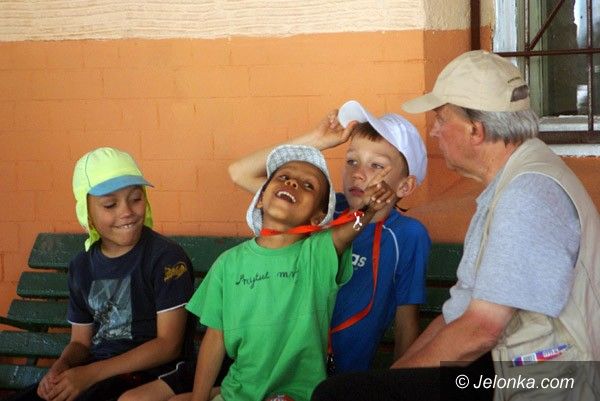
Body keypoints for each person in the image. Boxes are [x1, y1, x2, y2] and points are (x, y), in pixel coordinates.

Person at [311, 50, 600, 401]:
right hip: (510, 367)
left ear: (475, 130)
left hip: (552, 382)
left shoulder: (526, 195)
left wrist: (388, 389)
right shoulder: (513, 179)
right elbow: (457, 315)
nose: (434, 131)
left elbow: (480, 329)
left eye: (441, 119)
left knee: (337, 396)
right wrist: (394, 380)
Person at [122, 144, 394, 401]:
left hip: (297, 395)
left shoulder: (318, 254)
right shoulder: (228, 264)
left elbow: (350, 229)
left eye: (308, 185)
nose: (292, 183)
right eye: (284, 177)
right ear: (261, 198)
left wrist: (369, 208)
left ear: (317, 216)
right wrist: (199, 398)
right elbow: (215, 340)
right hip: (238, 392)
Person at [228, 101, 431, 373]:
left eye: (376, 165)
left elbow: (407, 323)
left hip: (342, 379)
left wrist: (398, 387)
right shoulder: (322, 210)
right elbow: (239, 173)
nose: (358, 173)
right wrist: (316, 140)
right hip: (279, 369)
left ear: (405, 186)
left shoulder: (407, 235)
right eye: (352, 161)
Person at [6, 147, 196, 401]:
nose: (126, 211)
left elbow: (168, 345)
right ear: (87, 213)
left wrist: (90, 374)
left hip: (149, 376)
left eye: (136, 198)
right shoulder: (81, 267)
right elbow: (80, 343)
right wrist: (61, 367)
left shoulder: (165, 257)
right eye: (110, 204)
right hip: (97, 374)